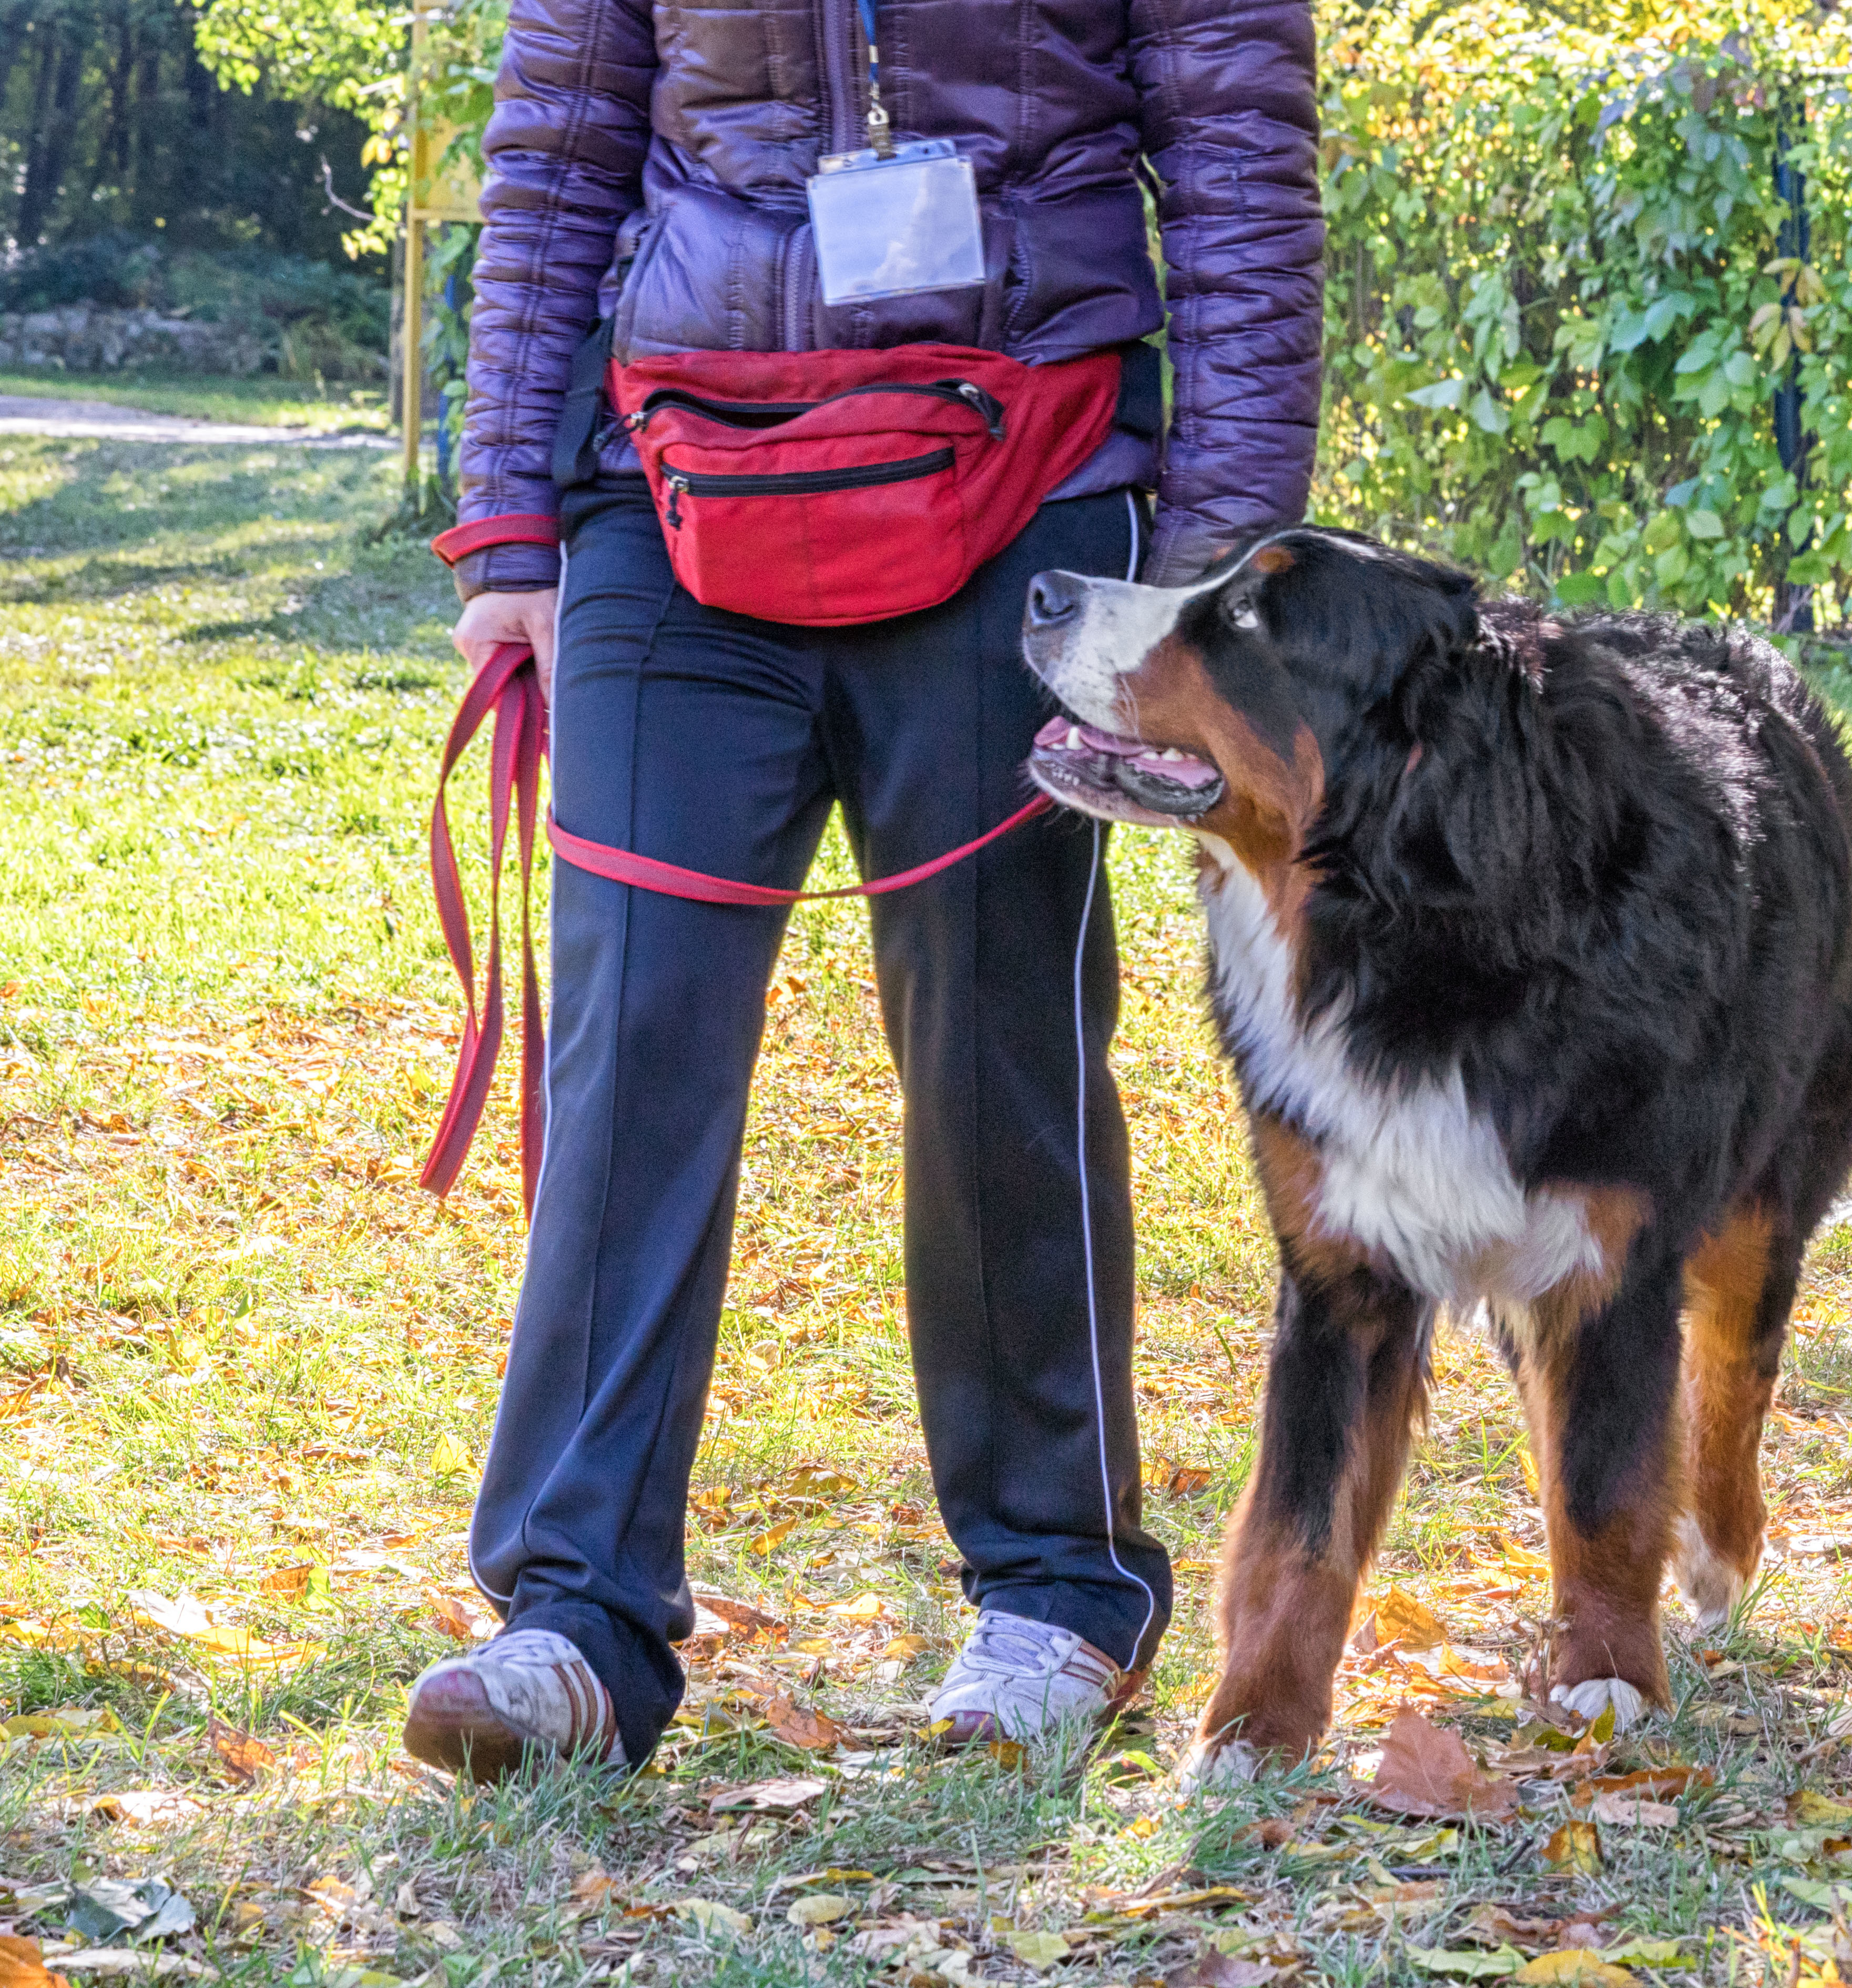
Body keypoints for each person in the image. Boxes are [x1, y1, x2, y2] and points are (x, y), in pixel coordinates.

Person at [404, 0, 1322, 1778]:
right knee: (631, 1042)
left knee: (994, 1042)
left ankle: (1058, 1587)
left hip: (1028, 473)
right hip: (672, 489)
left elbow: (1236, 149)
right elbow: (564, 136)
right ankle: (572, 1618)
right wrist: (510, 511)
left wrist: (1214, 553)